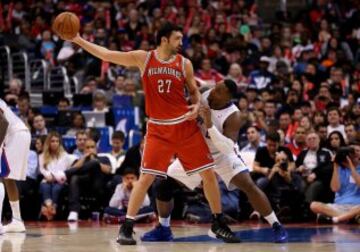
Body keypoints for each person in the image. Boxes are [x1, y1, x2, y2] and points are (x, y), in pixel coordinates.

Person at [64, 21, 239, 245]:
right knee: (146, 177)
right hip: (158, 128)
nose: (181, 43)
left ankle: (218, 223)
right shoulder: (143, 58)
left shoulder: (184, 63)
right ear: (164, 39)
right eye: (177, 38)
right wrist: (78, 40)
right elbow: (107, 54)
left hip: (185, 127)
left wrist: (196, 107)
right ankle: (127, 227)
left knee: (208, 175)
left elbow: (194, 92)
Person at [141, 80, 288, 243]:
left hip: (223, 154)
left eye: (218, 91)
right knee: (163, 184)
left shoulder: (234, 115)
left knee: (249, 185)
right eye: (215, 88)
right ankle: (163, 228)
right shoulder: (204, 93)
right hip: (198, 152)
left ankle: (276, 225)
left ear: (228, 98)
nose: (212, 92)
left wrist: (209, 123)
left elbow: (227, 147)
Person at [0, 98, 31, 233]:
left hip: (14, 135)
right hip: (18, 134)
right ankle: (17, 220)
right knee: (7, 178)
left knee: (3, 176)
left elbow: (3, 122)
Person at [310, 144, 360, 223]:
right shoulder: (339, 169)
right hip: (340, 206)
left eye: (357, 151)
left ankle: (337, 218)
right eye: (353, 152)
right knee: (314, 205)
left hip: (357, 205)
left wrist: (351, 167)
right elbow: (335, 188)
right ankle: (349, 217)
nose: (355, 153)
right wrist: (335, 167)